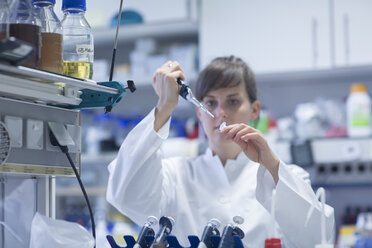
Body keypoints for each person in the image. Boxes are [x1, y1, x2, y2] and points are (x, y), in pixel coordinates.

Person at [106, 56, 335, 247]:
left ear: (255, 110)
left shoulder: (285, 177)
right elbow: (124, 193)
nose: (221, 113)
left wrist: (272, 166)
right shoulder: (175, 175)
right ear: (199, 112)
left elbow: (316, 238)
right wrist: (164, 106)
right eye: (210, 103)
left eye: (233, 101)